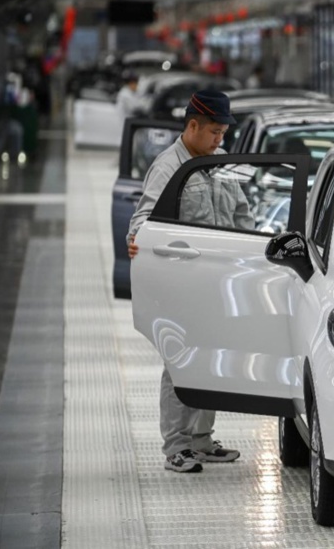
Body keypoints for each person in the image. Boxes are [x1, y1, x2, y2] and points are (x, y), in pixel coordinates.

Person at [127, 89, 249, 473]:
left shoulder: (220, 164)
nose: (219, 140)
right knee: (180, 361)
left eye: (222, 133)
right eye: (213, 131)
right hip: (182, 284)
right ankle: (176, 446)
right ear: (192, 126)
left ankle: (201, 440)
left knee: (212, 359)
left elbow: (243, 215)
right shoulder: (169, 167)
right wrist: (138, 241)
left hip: (219, 284)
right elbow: (142, 221)